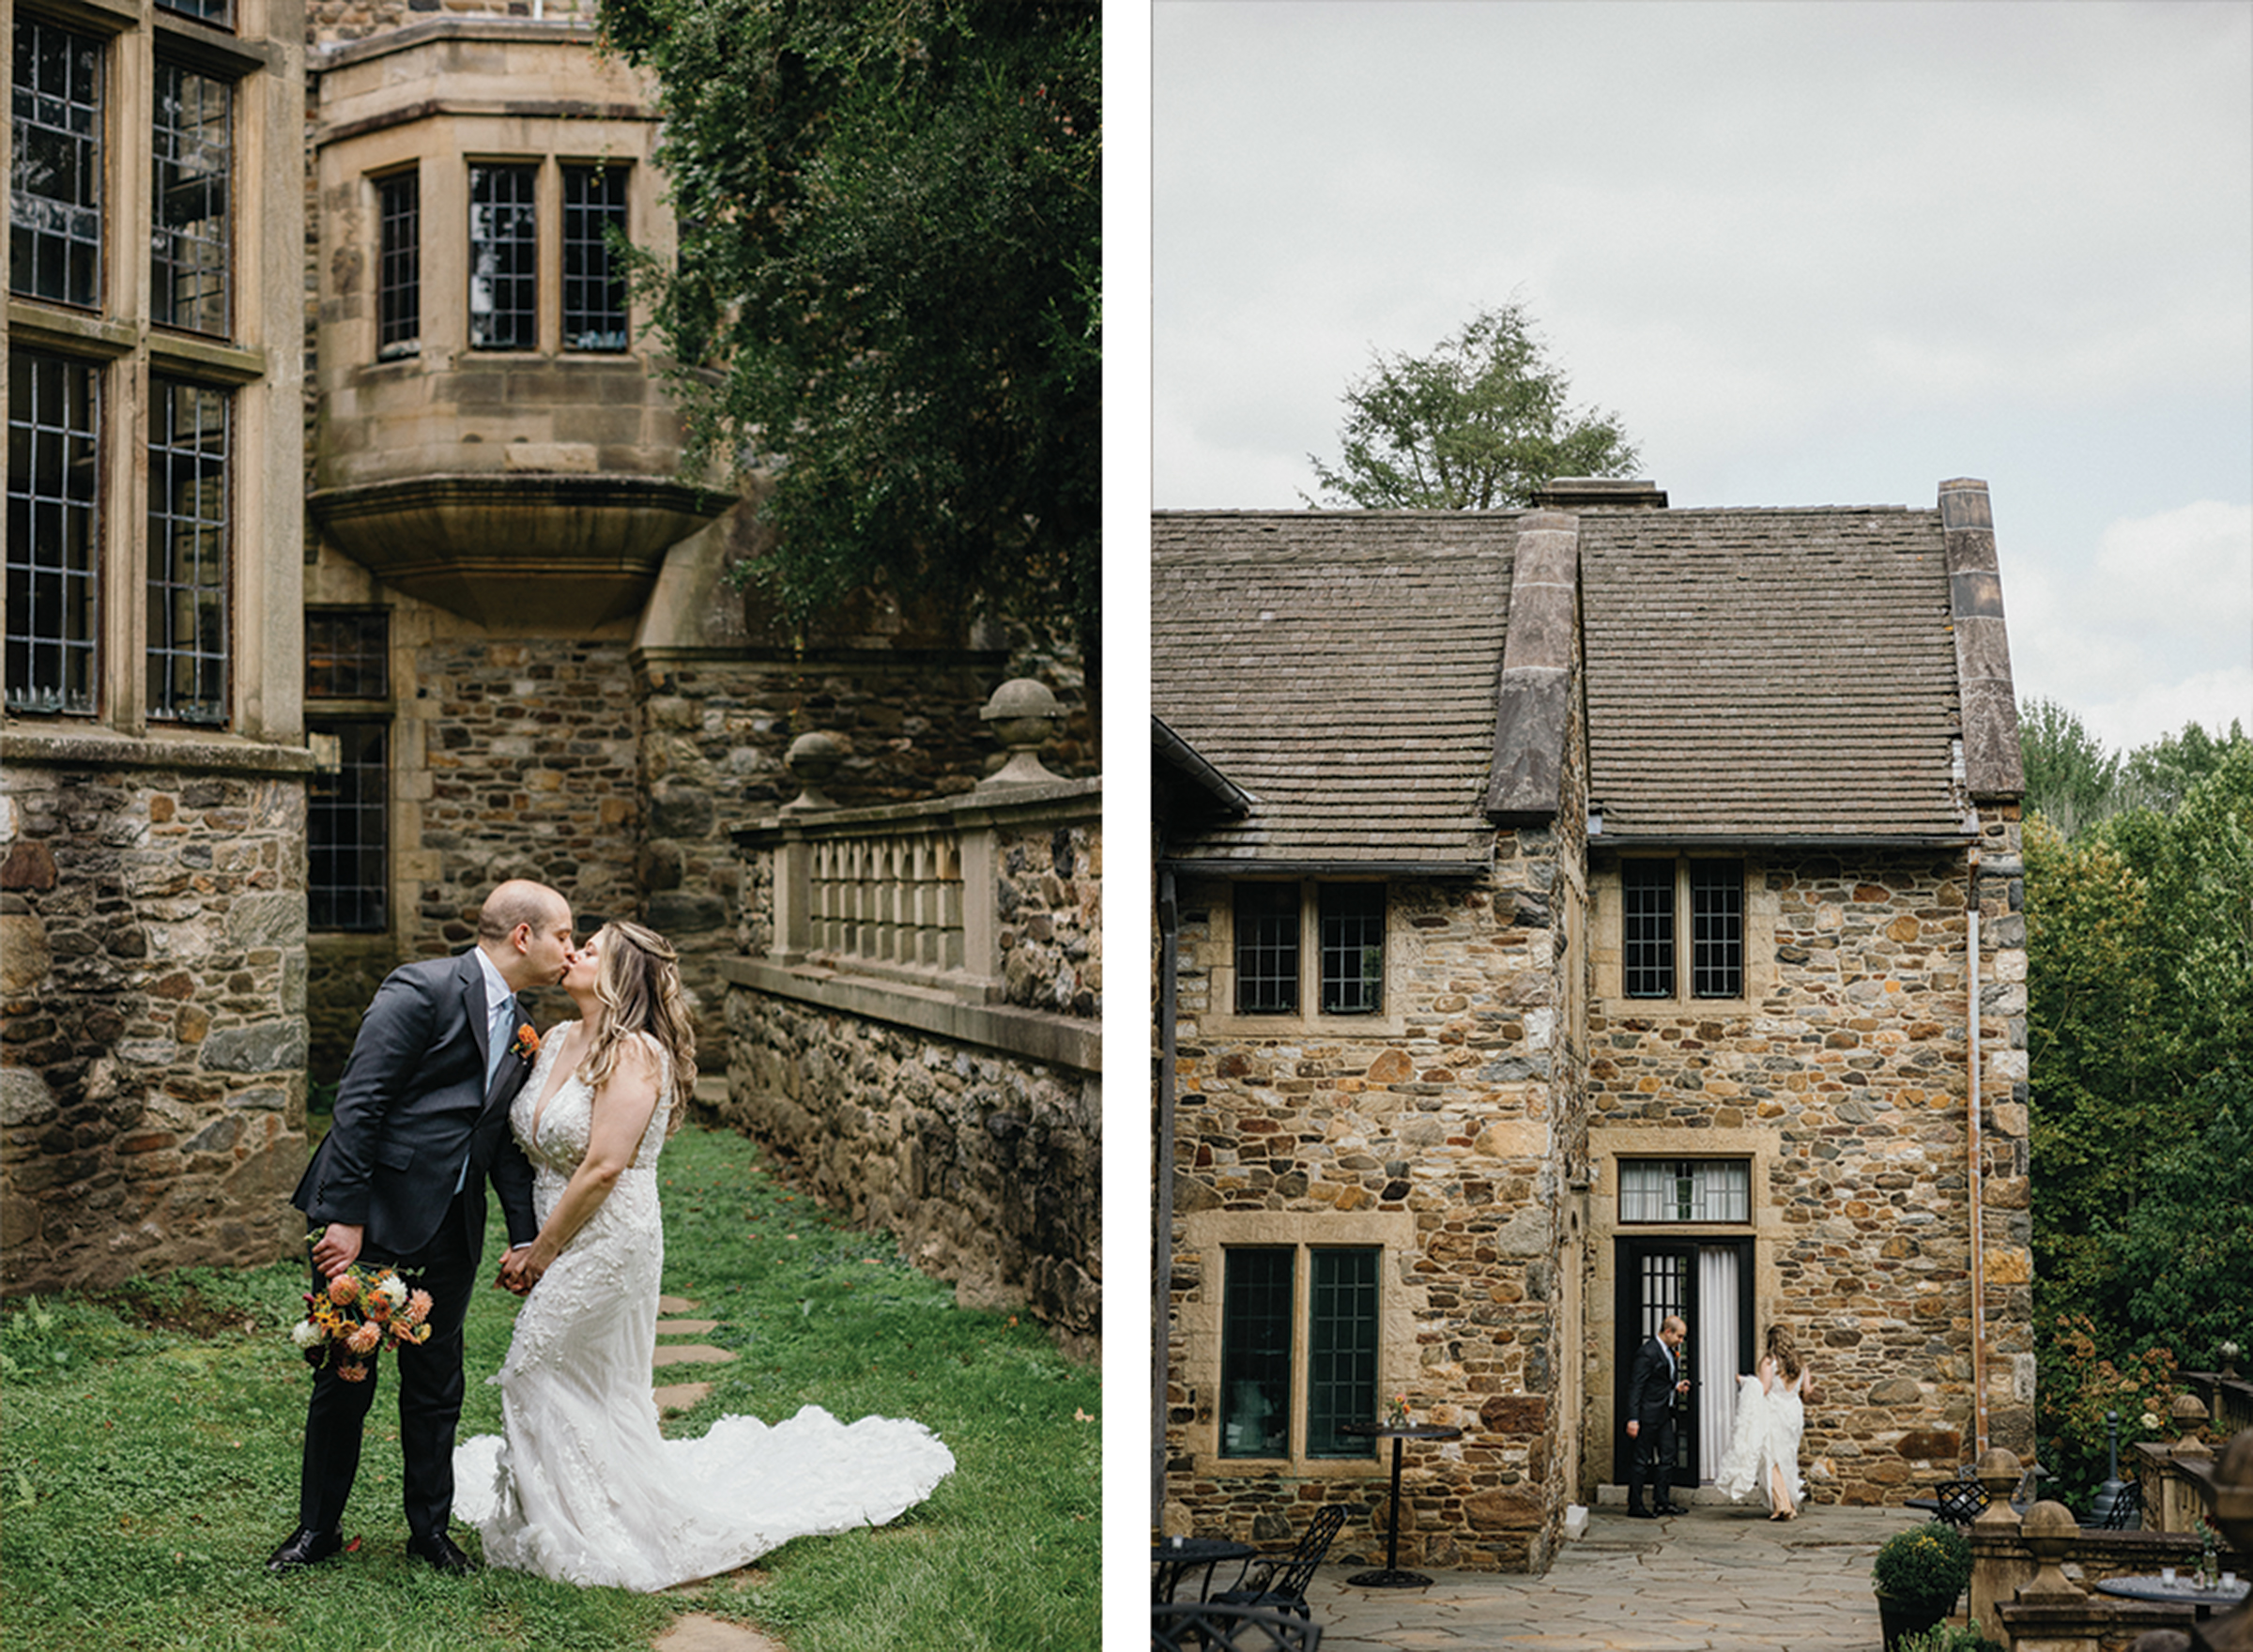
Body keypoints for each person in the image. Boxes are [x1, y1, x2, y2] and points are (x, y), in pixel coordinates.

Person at [452, 921, 954, 1590]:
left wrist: (540, 1255)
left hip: (609, 1236)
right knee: (585, 1381)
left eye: (591, 947)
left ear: (620, 975)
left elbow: (603, 1166)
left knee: (529, 1366)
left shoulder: (637, 1054)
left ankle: (585, 1528)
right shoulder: (554, 1041)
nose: (573, 953)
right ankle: (580, 1508)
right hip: (555, 1223)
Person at [270, 880, 575, 1574]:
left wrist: (524, 1237)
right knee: (346, 1375)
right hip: (371, 1219)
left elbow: (498, 1142)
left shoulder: (524, 1028)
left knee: (438, 1386)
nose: (572, 948)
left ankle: (429, 1534)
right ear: (523, 936)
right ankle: (316, 1530)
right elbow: (359, 1104)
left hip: (452, 1228)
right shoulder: (421, 990)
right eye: (564, 934)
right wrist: (346, 1218)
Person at [1716, 1323, 1816, 1520]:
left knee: (1770, 1458)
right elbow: (1808, 1390)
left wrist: (1744, 1381)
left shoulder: (1769, 1362)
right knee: (1786, 1458)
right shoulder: (1801, 1363)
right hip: (1794, 1413)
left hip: (1774, 1412)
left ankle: (1783, 1506)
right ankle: (1788, 1505)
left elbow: (1763, 1389)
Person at [1625, 1314, 1692, 1518]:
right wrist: (1633, 1418)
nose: (1681, 1341)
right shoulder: (1648, 1353)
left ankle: (1662, 1502)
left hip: (1663, 1413)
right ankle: (1635, 1505)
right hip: (1647, 1414)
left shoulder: (1668, 1352)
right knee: (1642, 1460)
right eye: (1679, 1337)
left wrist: (1676, 1387)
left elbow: (1660, 1382)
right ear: (1668, 1331)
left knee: (1668, 1456)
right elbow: (1637, 1386)